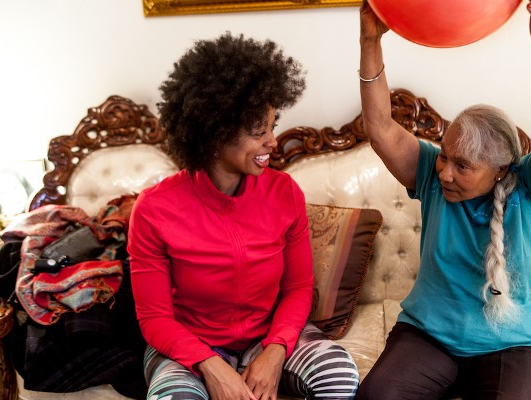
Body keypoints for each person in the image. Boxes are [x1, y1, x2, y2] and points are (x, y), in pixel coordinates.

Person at [355, 0, 531, 399]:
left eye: (462, 166)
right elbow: (380, 129)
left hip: (518, 344)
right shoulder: (431, 177)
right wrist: (369, 40)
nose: (444, 173)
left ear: (501, 169)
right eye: (443, 155)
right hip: (429, 336)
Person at [128, 32, 359, 400]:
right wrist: (211, 366)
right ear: (216, 135)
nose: (272, 141)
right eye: (259, 132)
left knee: (339, 375)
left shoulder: (284, 193)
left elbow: (298, 289)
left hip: (267, 337)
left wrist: (276, 349)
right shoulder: (155, 209)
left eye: (272, 127)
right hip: (191, 345)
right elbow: (155, 318)